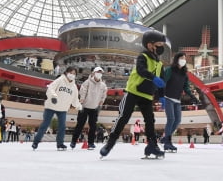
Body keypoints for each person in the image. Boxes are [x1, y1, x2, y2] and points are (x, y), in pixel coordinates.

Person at [100, 30, 166, 158]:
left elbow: (161, 82)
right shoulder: (143, 56)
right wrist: (153, 78)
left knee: (150, 120)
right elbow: (141, 71)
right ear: (150, 45)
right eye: (159, 44)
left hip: (147, 95)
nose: (161, 47)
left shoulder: (160, 63)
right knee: (123, 117)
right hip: (133, 92)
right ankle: (110, 143)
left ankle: (152, 146)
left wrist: (162, 96)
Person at [32, 66, 82, 151]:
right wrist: (53, 96)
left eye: (74, 74)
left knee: (62, 126)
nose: (72, 75)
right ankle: (35, 142)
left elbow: (75, 99)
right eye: (70, 73)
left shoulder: (74, 87)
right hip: (51, 106)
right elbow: (51, 88)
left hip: (62, 109)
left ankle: (60, 144)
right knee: (45, 125)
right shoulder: (60, 80)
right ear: (66, 73)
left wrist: (79, 107)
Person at [161, 52, 199, 152]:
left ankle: (165, 138)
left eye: (184, 58)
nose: (183, 60)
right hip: (168, 97)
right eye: (181, 58)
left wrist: (192, 96)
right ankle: (167, 143)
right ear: (177, 59)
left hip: (177, 100)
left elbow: (186, 87)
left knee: (177, 120)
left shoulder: (184, 74)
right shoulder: (169, 70)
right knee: (171, 119)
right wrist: (161, 96)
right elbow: (163, 82)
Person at [70, 66, 107, 150]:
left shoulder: (103, 85)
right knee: (80, 125)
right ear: (93, 73)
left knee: (93, 126)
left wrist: (102, 101)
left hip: (94, 108)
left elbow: (104, 94)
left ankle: (91, 143)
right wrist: (82, 100)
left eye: (101, 73)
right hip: (84, 107)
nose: (99, 74)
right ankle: (73, 141)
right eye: (98, 72)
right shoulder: (87, 82)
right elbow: (83, 91)